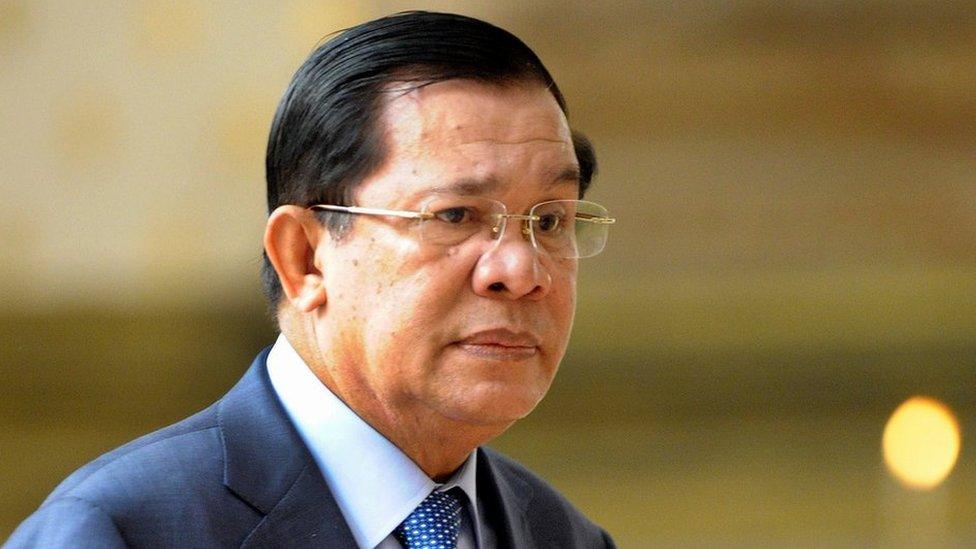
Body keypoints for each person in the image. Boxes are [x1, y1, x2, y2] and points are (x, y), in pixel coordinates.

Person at [7, 11, 616, 548]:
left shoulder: (563, 536)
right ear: (303, 258)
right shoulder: (119, 529)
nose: (521, 270)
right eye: (455, 216)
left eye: (550, 219)